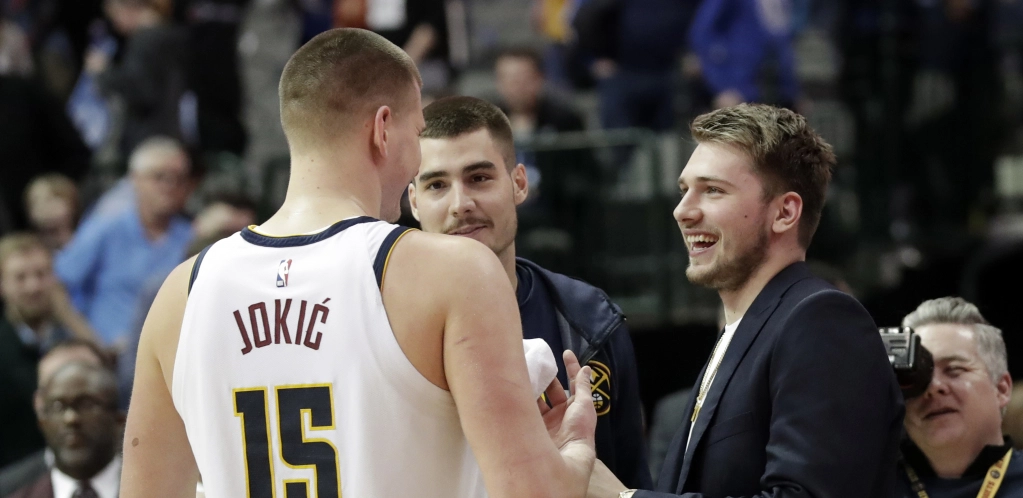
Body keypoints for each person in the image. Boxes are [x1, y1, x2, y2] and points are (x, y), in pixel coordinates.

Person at [119, 28, 597, 498]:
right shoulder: (454, 271)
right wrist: (574, 452)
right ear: (382, 129)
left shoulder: (180, 293)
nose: (416, 158)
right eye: (417, 132)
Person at [587, 103, 903, 498]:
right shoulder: (744, 334)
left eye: (713, 190)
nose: (682, 211)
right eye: (684, 190)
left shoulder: (822, 321)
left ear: (785, 212)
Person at [408, 95, 651, 489]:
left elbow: (630, 485)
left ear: (519, 184)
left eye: (479, 178)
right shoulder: (382, 325)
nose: (461, 204)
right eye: (437, 185)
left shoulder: (589, 322)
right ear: (414, 202)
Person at [55, 137, 194, 349]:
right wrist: (92, 343)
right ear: (134, 180)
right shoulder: (106, 227)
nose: (170, 186)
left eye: (179, 179)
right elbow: (57, 285)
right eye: (159, 177)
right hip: (108, 353)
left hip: (169, 353)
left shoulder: (191, 236)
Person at [898, 297, 1023, 497]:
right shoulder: (868, 484)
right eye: (917, 375)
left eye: (954, 370)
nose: (933, 387)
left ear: (1001, 389)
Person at [0, 234, 100, 469]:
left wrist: (68, 314)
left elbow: (102, 371)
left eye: (41, 274)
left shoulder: (71, 336)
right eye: (20, 278)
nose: (33, 286)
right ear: (3, 285)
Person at [4, 362, 124, 498]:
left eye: (86, 404)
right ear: (42, 423)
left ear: (119, 421)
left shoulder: (144, 488)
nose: (70, 418)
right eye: (58, 406)